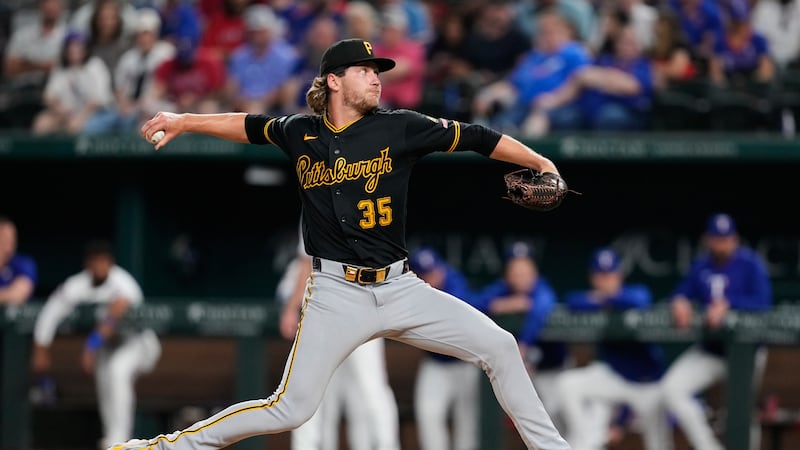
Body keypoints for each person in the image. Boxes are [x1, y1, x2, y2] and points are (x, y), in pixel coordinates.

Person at [115, 37, 571, 450]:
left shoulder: (401, 127)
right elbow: (248, 125)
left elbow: (476, 136)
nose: (376, 77)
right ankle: (164, 448)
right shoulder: (300, 132)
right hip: (336, 293)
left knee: (501, 346)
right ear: (334, 80)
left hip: (401, 287)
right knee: (289, 408)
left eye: (377, 70)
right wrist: (184, 120)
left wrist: (539, 159)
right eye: (364, 69)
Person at [277, 220, 400, 450]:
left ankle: (387, 445)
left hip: (357, 309)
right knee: (316, 392)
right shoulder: (315, 199)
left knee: (370, 388)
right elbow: (306, 262)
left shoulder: (365, 199)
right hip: (333, 312)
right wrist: (292, 308)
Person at [32, 240, 162, 450]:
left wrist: (91, 345)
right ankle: (111, 439)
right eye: (96, 261)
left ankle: (121, 442)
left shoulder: (123, 282)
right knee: (104, 378)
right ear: (88, 264)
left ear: (111, 263)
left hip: (139, 344)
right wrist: (41, 347)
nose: (101, 266)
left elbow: (116, 311)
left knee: (117, 370)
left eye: (105, 261)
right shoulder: (78, 283)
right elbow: (53, 310)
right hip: (108, 346)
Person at [661, 212, 772, 450]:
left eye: (726, 238)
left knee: (740, 412)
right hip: (712, 350)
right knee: (672, 388)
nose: (722, 243)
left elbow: (764, 304)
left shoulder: (750, 264)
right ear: (708, 239)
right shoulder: (702, 265)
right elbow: (681, 292)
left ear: (735, 238)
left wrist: (729, 303)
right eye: (717, 238)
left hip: (746, 352)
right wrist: (680, 301)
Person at [557, 247, 671, 450]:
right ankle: (584, 442)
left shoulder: (633, 294)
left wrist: (605, 299)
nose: (606, 280)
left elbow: (641, 299)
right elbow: (572, 300)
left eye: (610, 275)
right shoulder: (593, 300)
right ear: (593, 278)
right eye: (601, 276)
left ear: (618, 275)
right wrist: (601, 300)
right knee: (568, 384)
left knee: (659, 444)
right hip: (615, 378)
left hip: (647, 384)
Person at [479, 241, 569, 431]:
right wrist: (504, 304)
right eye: (516, 271)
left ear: (534, 272)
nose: (521, 277)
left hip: (552, 370)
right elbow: (474, 302)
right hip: (526, 371)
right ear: (508, 275)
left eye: (525, 271)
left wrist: (524, 344)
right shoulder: (502, 290)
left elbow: (543, 307)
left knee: (555, 421)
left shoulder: (542, 290)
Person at [408, 246, 481, 450]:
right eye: (427, 274)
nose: (434, 277)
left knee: (466, 420)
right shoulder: (411, 289)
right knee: (428, 412)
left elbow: (457, 308)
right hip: (436, 364)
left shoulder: (455, 281)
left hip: (464, 362)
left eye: (434, 271)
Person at [0, 216, 37, 305]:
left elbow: (19, 294)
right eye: (4, 239)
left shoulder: (23, 263)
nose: (9, 245)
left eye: (12, 238)